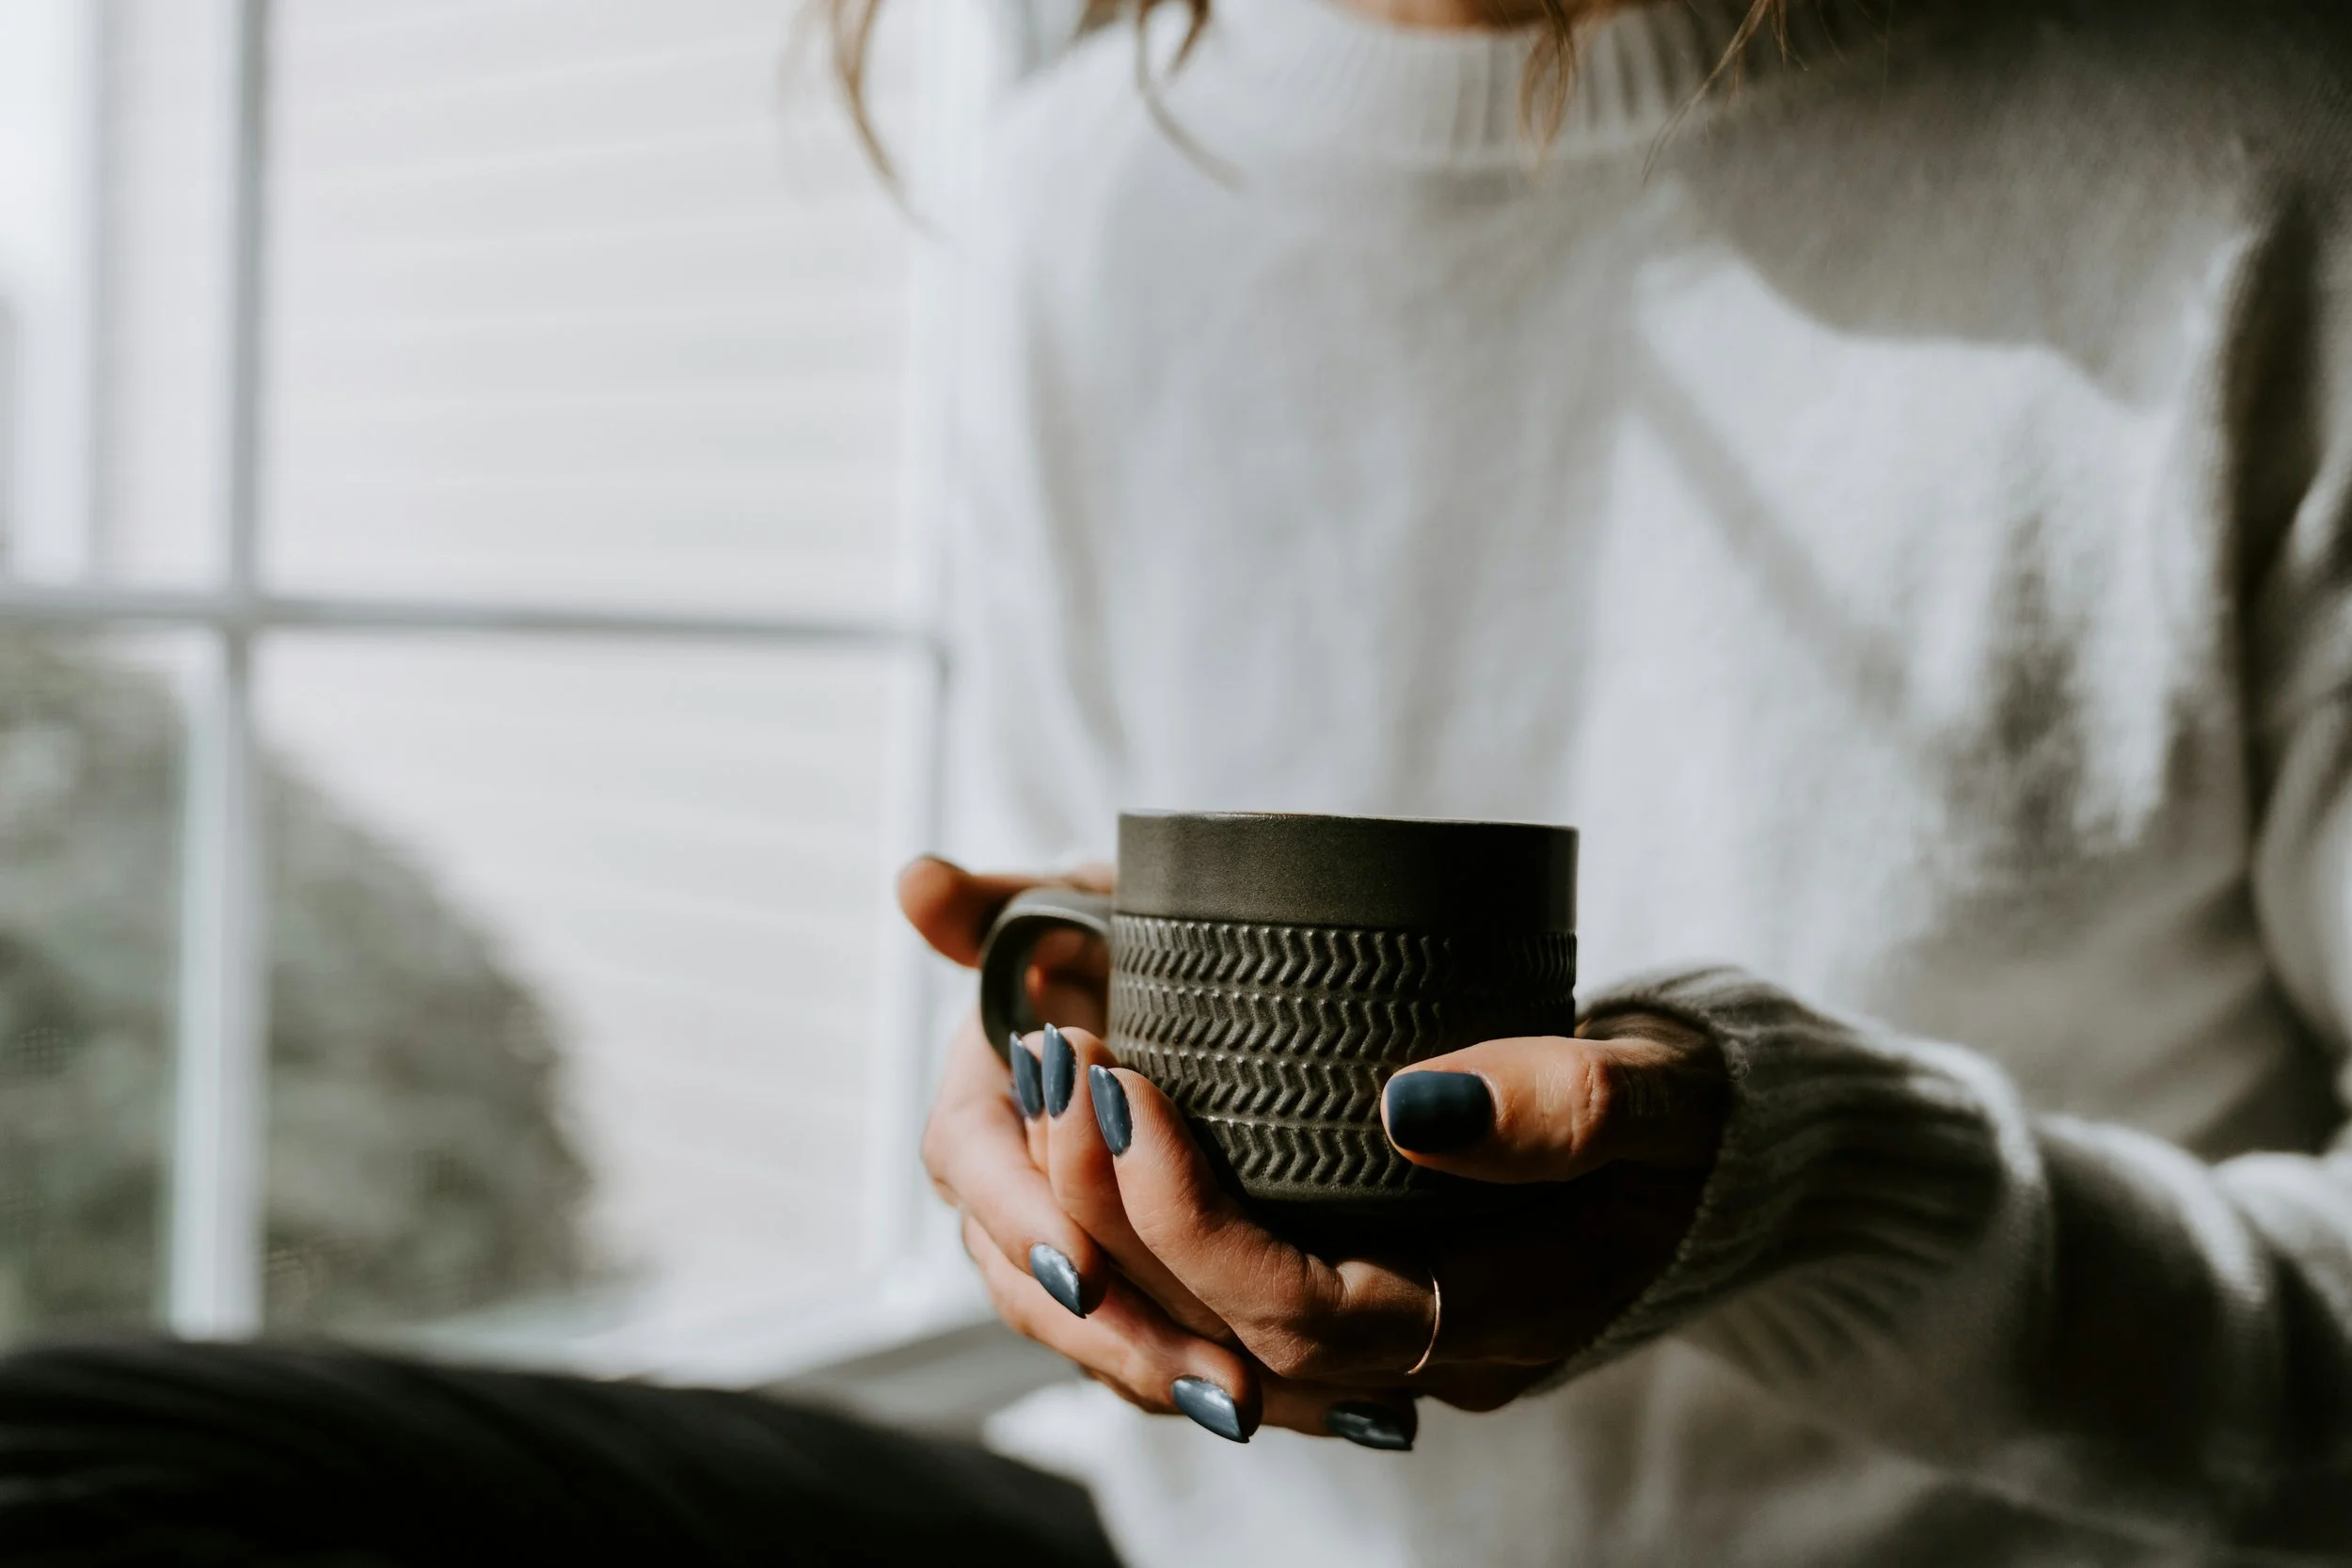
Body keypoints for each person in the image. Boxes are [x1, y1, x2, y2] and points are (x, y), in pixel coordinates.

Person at [883, 0, 2352, 1562]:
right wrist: (1061, 1114)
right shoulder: (1082, 198)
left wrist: (1831, 1208)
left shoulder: (2258, 155)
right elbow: (1060, 955)